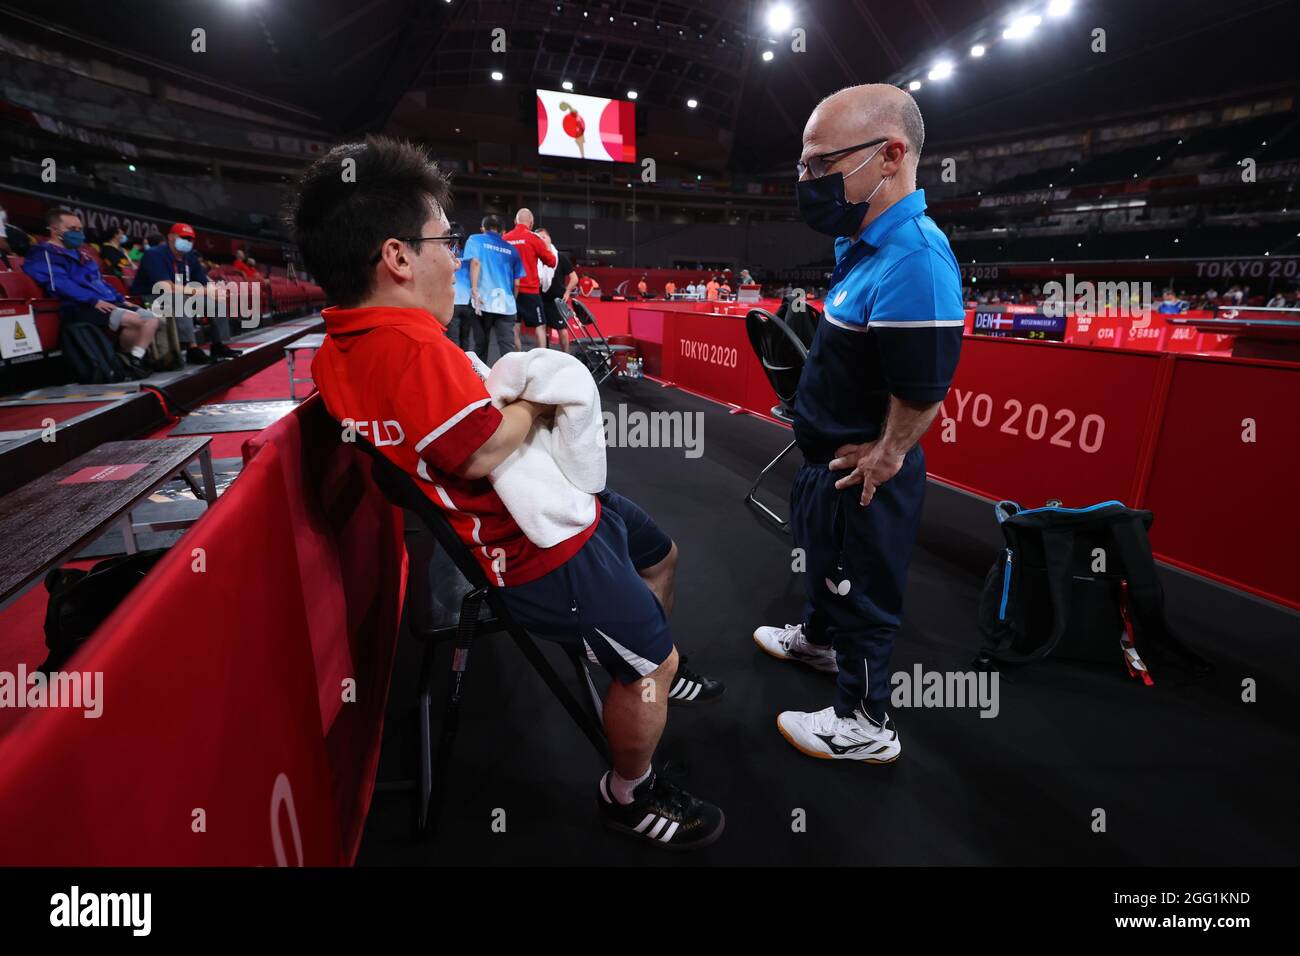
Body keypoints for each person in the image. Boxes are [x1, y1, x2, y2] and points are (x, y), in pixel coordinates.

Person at [292, 136, 725, 850]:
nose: (454, 255)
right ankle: (628, 790)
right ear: (397, 258)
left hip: (550, 508)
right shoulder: (406, 344)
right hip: (531, 553)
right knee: (658, 663)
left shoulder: (343, 338)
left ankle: (629, 658)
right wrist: (545, 401)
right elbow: (483, 444)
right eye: (444, 239)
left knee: (662, 554)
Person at [753, 83, 963, 764]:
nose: (808, 180)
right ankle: (818, 641)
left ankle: (865, 724)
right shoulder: (865, 242)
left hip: (866, 475)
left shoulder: (916, 261)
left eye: (821, 164)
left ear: (891, 155)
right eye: (804, 167)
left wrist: (888, 455)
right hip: (827, 465)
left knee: (864, 594)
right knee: (827, 568)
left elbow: (924, 388)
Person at [23, 207, 159, 378]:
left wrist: (121, 299)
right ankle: (125, 361)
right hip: (77, 306)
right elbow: (60, 284)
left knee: (151, 319)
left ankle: (133, 359)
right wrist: (92, 300)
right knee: (135, 321)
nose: (78, 233)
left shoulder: (83, 256)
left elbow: (100, 282)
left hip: (101, 302)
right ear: (55, 230)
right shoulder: (44, 254)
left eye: (79, 229)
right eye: (72, 229)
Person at [132, 222, 238, 364]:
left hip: (182, 294)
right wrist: (200, 291)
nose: (187, 242)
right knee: (180, 298)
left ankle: (218, 344)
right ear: (170, 237)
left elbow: (203, 282)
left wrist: (213, 290)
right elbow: (165, 286)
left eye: (190, 239)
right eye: (183, 238)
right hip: (151, 296)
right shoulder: (154, 254)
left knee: (216, 300)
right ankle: (192, 349)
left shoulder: (190, 257)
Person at [464, 215, 525, 362]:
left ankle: (479, 382)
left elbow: (476, 263)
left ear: (482, 229)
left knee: (481, 345)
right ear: (503, 232)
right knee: (507, 349)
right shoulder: (512, 250)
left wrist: (474, 289)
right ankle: (511, 382)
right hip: (506, 305)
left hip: (482, 302)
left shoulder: (475, 239)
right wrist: (512, 300)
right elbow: (517, 283)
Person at [503, 208, 557, 350]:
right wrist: (546, 245)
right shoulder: (534, 238)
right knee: (540, 326)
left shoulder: (505, 238)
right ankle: (542, 362)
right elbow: (551, 261)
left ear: (515, 221)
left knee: (515, 328)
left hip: (509, 291)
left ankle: (518, 361)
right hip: (530, 292)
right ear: (531, 223)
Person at [536, 227, 576, 354]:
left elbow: (574, 278)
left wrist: (567, 292)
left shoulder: (560, 257)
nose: (541, 240)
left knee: (562, 330)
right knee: (541, 328)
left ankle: (566, 356)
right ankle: (543, 357)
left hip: (557, 300)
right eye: (538, 238)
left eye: (544, 237)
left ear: (549, 238)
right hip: (540, 299)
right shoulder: (535, 259)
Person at [0, 205, 31, 270]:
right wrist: (11, 253)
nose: (3, 212)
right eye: (1, 210)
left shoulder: (11, 227)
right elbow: (2, 243)